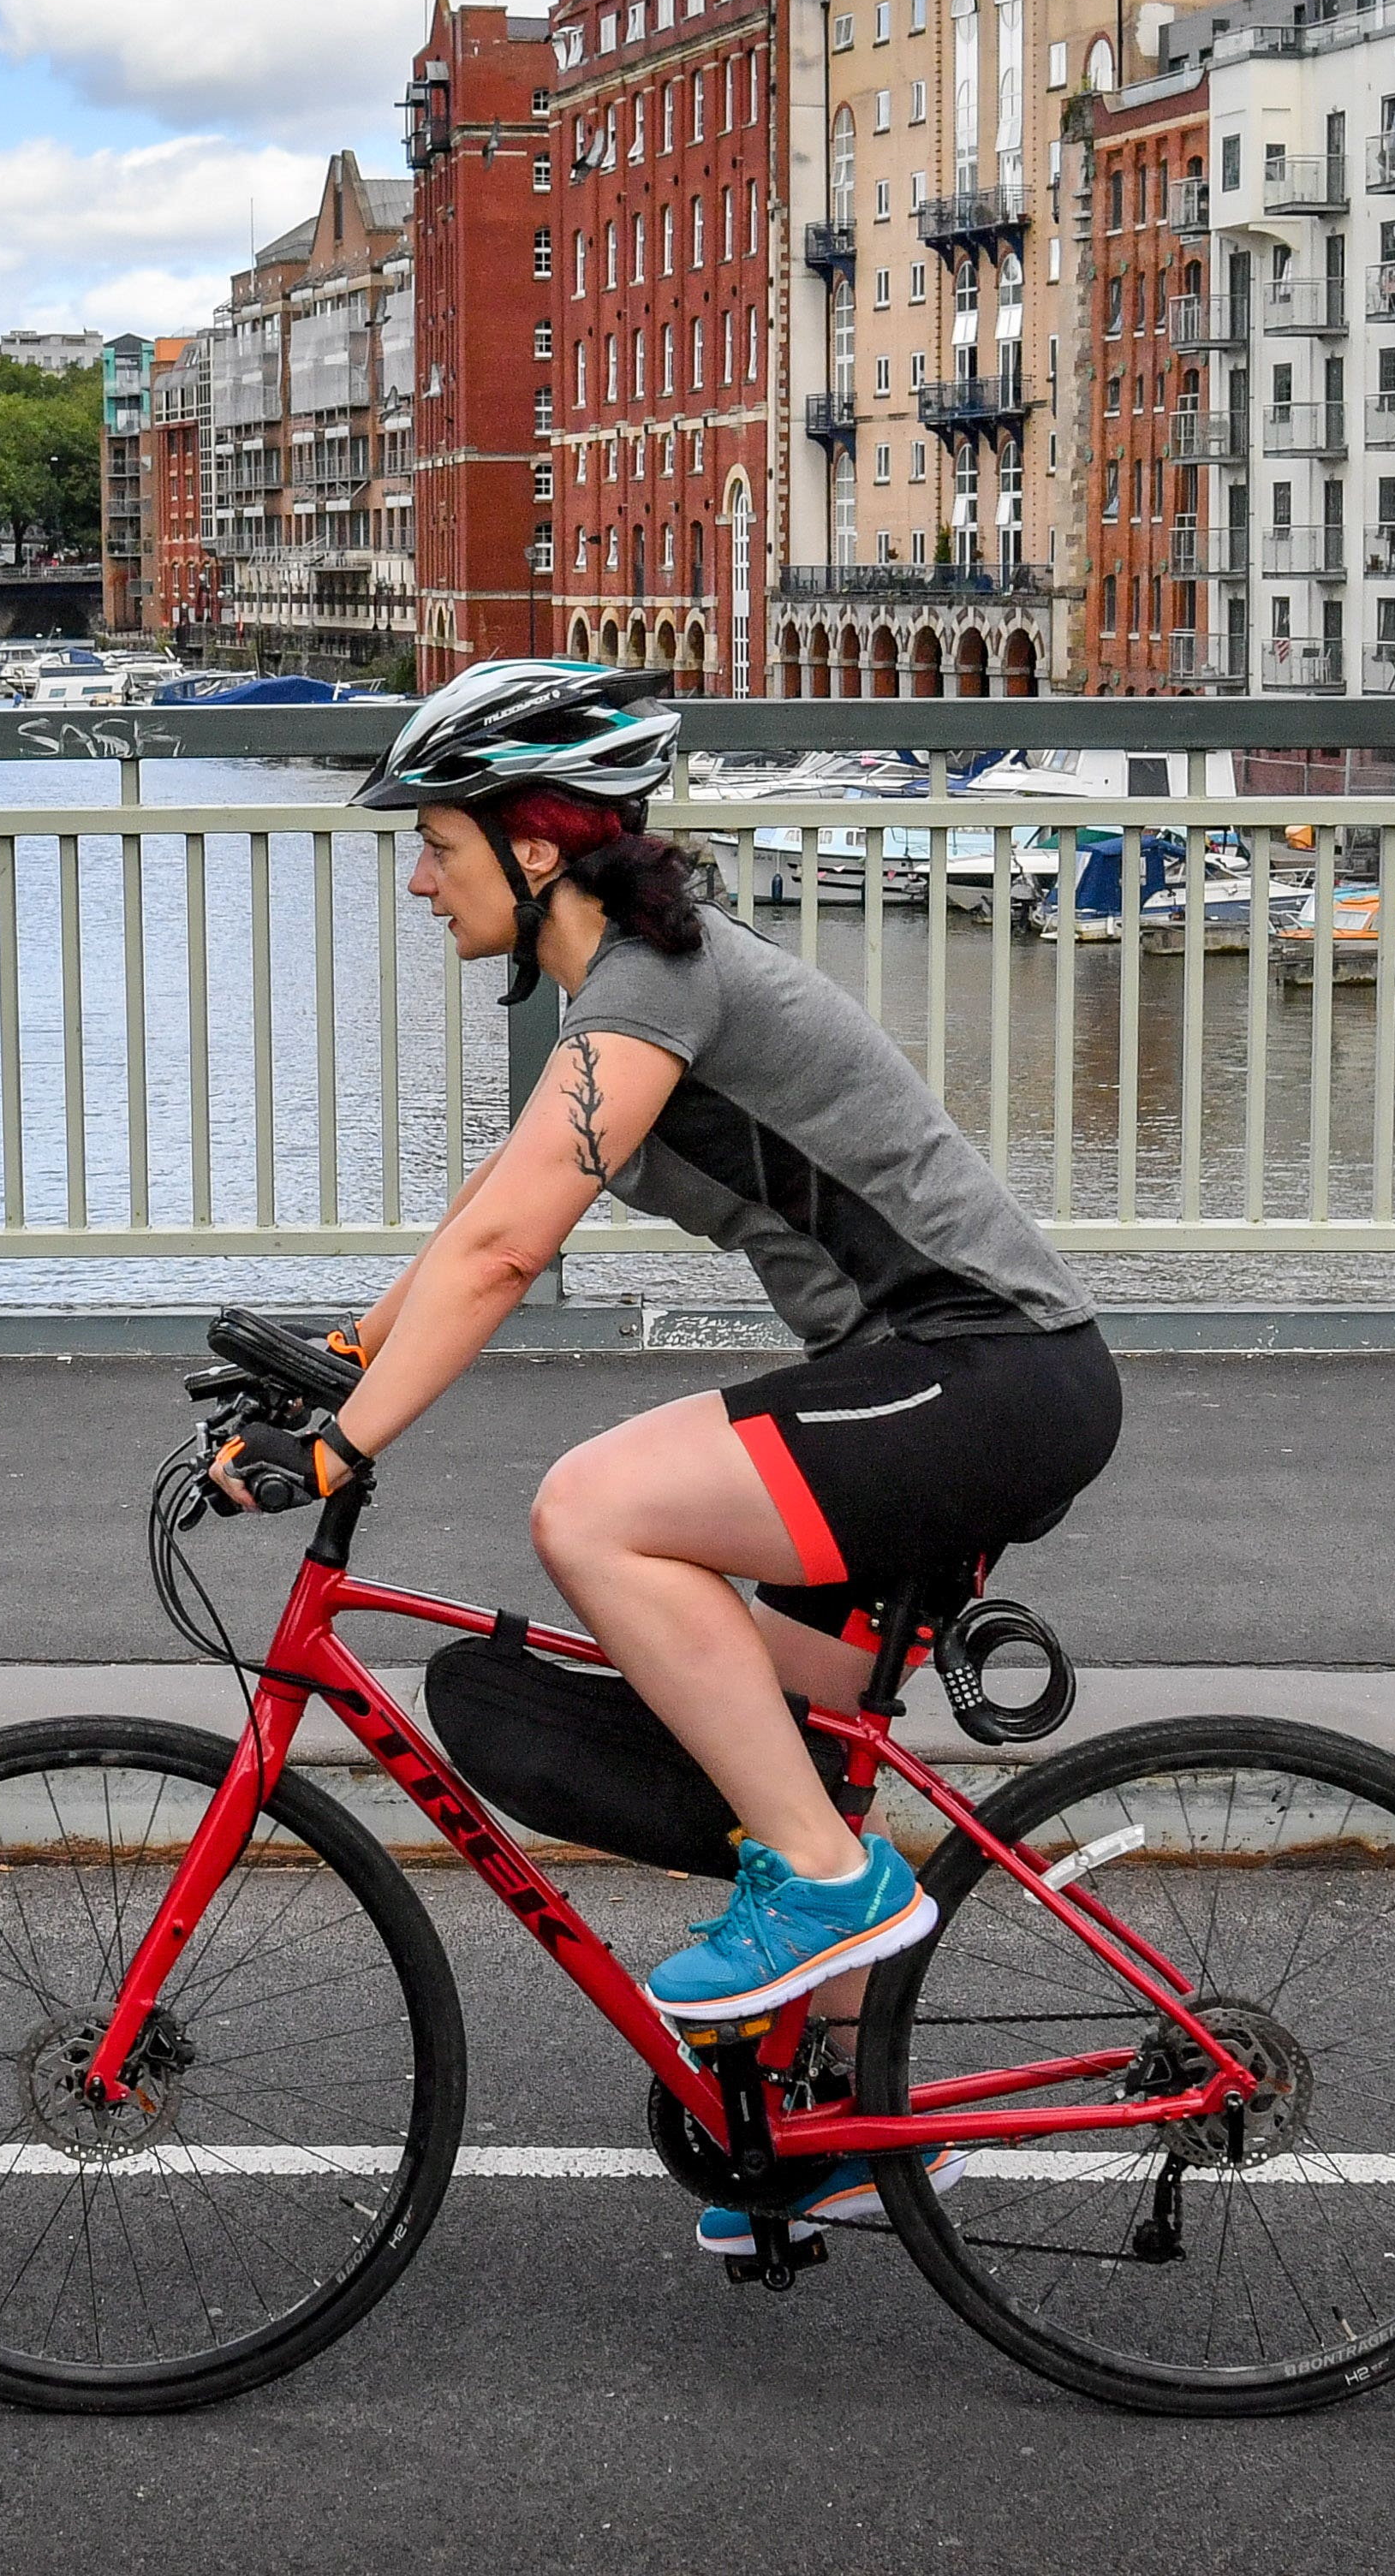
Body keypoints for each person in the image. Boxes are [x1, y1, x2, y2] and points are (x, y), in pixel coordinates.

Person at [215, 659, 1124, 2258]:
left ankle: (828, 1891)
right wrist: (340, 1361)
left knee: (598, 1512)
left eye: (435, 844)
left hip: (987, 1370)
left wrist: (346, 1446)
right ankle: (833, 2127)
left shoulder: (659, 981)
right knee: (795, 1724)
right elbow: (480, 1221)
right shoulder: (629, 988)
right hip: (933, 1378)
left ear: (537, 844)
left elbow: (508, 1248)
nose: (418, 882)